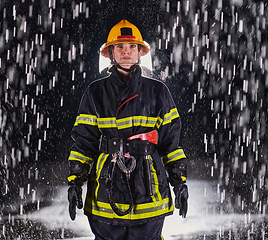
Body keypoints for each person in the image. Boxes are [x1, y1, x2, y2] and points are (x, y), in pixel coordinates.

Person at [67, 19, 188, 240]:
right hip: (107, 185)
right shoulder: (95, 92)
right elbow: (84, 142)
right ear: (111, 52)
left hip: (148, 184)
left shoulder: (158, 91)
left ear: (140, 52)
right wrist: (75, 180)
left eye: (132, 46)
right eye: (120, 46)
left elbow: (170, 143)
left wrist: (179, 181)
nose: (126, 52)